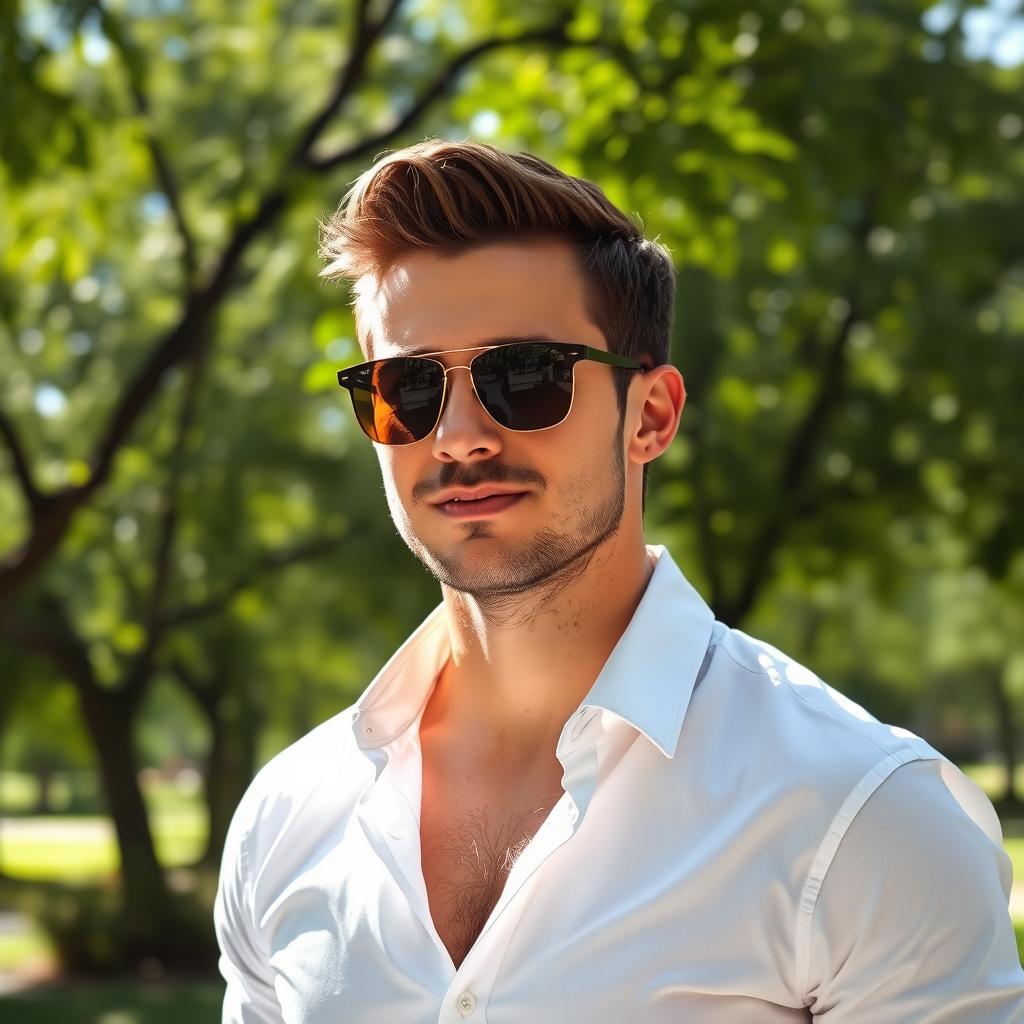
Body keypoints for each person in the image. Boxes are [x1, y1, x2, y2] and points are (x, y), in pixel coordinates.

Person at [214, 138, 1024, 1023]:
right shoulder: (286, 818)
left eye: (523, 376)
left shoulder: (864, 820)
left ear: (652, 415)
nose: (456, 436)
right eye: (404, 388)